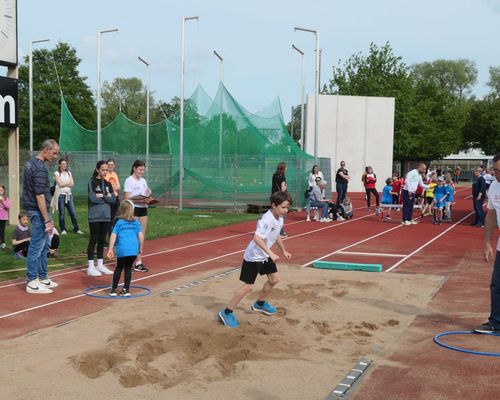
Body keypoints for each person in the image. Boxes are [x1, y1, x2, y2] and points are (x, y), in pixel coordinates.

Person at [218, 191, 292, 328]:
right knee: (248, 286)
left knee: (274, 279)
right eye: (283, 207)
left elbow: (276, 235)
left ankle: (260, 304)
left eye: (288, 207)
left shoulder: (279, 218)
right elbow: (256, 238)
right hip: (253, 257)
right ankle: (227, 312)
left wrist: (283, 250)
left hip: (264, 255)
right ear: (274, 205)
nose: (286, 210)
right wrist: (271, 253)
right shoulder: (266, 219)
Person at [22, 138, 59, 294]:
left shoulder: (31, 162)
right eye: (54, 153)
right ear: (46, 150)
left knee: (44, 246)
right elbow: (39, 196)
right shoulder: (40, 168)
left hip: (35, 210)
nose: (56, 156)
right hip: (38, 211)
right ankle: (32, 281)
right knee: (37, 247)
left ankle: (42, 277)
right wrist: (47, 219)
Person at [475, 153, 500, 334]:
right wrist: (487, 243)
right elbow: (491, 215)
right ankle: (496, 322)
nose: (497, 174)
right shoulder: (494, 188)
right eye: (495, 170)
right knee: (497, 285)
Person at [107, 199, 144, 297]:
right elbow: (141, 236)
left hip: (122, 249)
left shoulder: (119, 222)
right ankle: (126, 289)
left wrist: (110, 248)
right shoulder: (136, 222)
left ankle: (114, 289)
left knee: (119, 267)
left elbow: (113, 235)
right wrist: (141, 248)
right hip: (133, 250)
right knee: (128, 268)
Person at [87, 160, 116, 276]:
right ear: (97, 169)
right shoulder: (92, 182)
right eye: (103, 170)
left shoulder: (108, 184)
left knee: (102, 240)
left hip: (106, 216)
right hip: (95, 216)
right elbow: (93, 199)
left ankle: (100, 264)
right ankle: (90, 266)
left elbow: (113, 200)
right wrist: (106, 197)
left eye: (106, 170)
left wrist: (103, 196)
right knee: (93, 239)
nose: (105, 172)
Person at [124, 160, 152, 272]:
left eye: (143, 170)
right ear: (134, 168)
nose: (142, 172)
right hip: (134, 210)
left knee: (141, 236)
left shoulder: (143, 180)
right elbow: (127, 197)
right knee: (133, 236)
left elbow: (146, 192)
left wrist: (148, 196)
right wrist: (138, 198)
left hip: (143, 209)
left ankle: (138, 262)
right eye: (140, 169)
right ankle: (129, 262)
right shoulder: (129, 180)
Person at [51, 159, 83, 235]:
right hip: (60, 195)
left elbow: (72, 184)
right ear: (59, 165)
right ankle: (63, 229)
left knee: (73, 212)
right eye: (62, 164)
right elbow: (60, 184)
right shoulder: (57, 173)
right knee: (62, 213)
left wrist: (64, 183)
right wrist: (67, 183)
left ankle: (76, 228)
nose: (64, 165)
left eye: (65, 164)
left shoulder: (69, 173)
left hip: (69, 195)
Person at [271, 162, 288, 237]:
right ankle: (280, 232)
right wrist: (286, 187)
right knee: (283, 213)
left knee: (274, 213)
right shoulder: (282, 176)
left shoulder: (274, 175)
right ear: (284, 168)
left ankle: (271, 230)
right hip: (280, 197)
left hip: (273, 196)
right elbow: (283, 189)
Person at [105, 158, 121, 239]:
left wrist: (112, 188)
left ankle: (115, 235)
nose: (110, 166)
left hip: (116, 197)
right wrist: (113, 188)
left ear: (114, 166)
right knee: (110, 218)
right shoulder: (105, 174)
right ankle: (110, 236)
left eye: (112, 165)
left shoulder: (115, 174)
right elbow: (106, 188)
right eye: (109, 165)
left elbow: (119, 187)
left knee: (117, 217)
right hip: (109, 199)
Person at [0, 184, 11, 249]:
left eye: (1, 190)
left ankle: (3, 243)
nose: (0, 191)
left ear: (3, 191)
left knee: (2, 231)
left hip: (3, 217)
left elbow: (8, 206)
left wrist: (2, 201)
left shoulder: (6, 198)